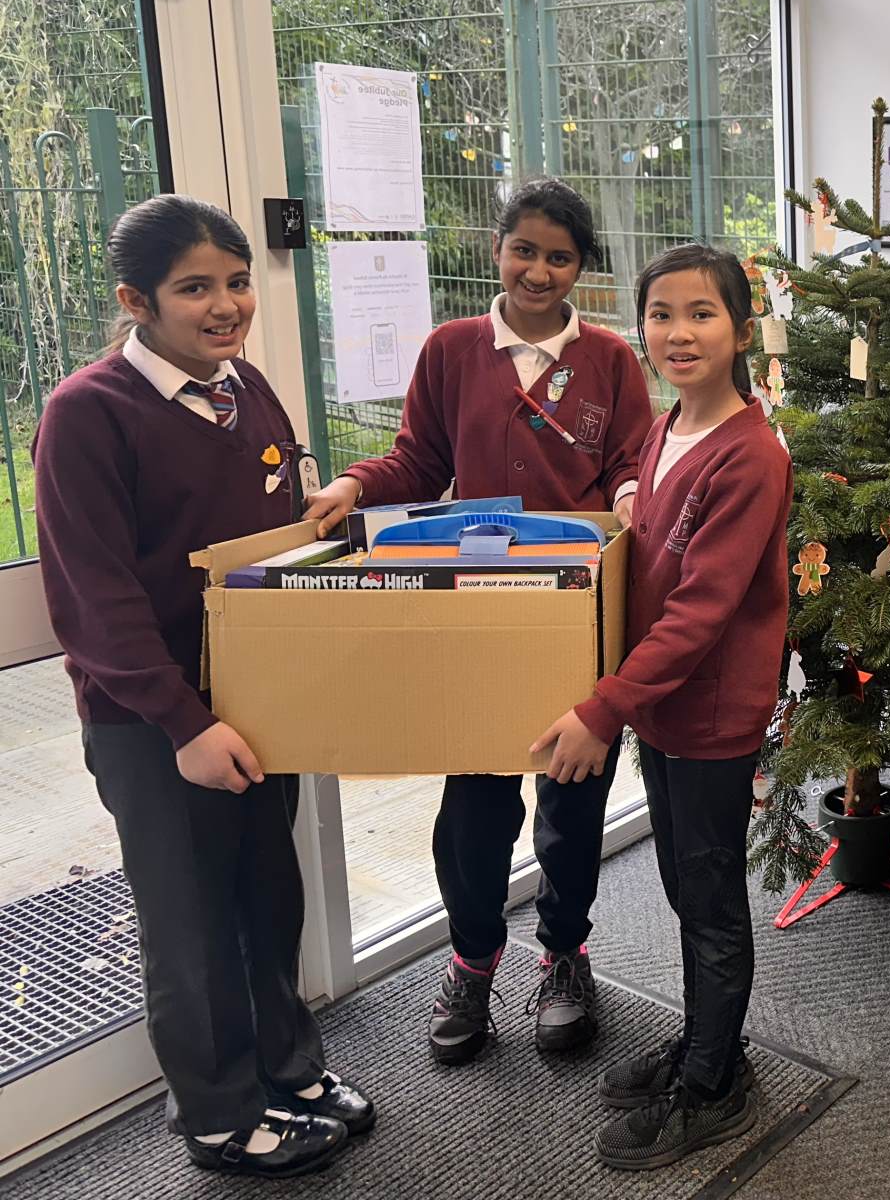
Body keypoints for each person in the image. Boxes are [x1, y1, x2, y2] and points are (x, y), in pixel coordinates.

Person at [33, 195, 374, 1179]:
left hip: (258, 703)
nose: (225, 306)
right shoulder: (87, 414)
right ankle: (220, 1114)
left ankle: (289, 1070)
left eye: (236, 282)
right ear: (136, 301)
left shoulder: (245, 389)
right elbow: (95, 600)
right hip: (156, 723)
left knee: (269, 897)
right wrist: (183, 723)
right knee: (191, 923)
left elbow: (273, 539)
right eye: (194, 289)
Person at [303, 177, 653, 1062]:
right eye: (523, 250)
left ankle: (565, 955)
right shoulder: (452, 350)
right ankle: (471, 961)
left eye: (560, 257)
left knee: (573, 802)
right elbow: (417, 461)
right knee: (475, 806)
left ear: (581, 268)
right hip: (477, 608)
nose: (539, 271)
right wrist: (353, 483)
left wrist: (629, 496)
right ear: (497, 249)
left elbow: (628, 463)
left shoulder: (610, 359)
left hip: (575, 612)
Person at [529, 243, 791, 1172]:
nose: (679, 333)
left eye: (702, 314)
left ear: (742, 331)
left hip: (711, 716)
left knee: (710, 901)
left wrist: (603, 709)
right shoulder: (667, 426)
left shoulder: (750, 454)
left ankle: (715, 1089)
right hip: (667, 712)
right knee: (685, 889)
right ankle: (707, 1043)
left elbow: (700, 611)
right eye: (661, 314)